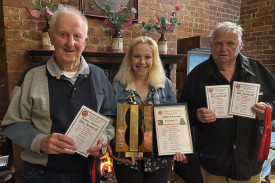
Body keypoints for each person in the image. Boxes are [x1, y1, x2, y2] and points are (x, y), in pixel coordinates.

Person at [0, 6, 116, 183]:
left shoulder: (99, 76)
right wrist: (40, 141)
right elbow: (12, 123)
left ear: (85, 41)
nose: (70, 43)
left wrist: (103, 139)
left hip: (88, 173)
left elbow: (111, 116)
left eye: (77, 36)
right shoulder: (32, 76)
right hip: (41, 175)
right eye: (63, 34)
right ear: (52, 37)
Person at [180, 21, 275, 183]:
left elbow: (273, 100)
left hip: (248, 160)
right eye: (218, 43)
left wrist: (268, 109)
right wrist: (196, 114)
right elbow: (182, 112)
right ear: (211, 45)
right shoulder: (196, 75)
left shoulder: (256, 70)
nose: (223, 48)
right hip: (213, 161)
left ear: (241, 45)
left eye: (230, 43)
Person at [112, 36, 187, 183]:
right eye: (137, 56)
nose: (142, 62)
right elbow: (111, 121)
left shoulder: (165, 84)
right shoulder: (118, 86)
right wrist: (117, 150)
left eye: (147, 57)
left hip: (159, 160)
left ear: (154, 59)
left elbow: (174, 119)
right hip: (128, 162)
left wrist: (178, 145)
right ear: (130, 59)